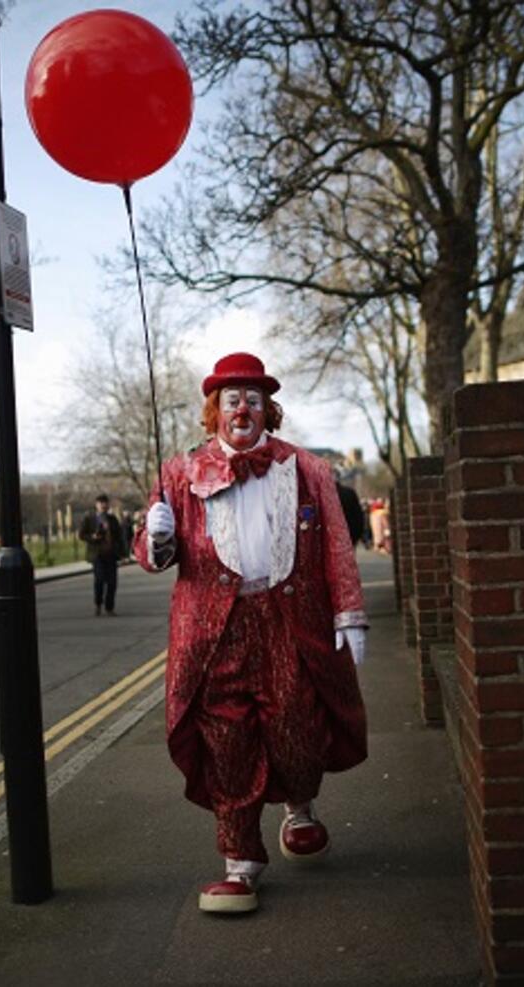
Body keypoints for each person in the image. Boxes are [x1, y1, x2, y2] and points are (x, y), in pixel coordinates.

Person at [135, 351, 367, 916]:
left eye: (254, 400)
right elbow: (153, 558)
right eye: (232, 400)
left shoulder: (307, 468)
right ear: (214, 411)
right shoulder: (178, 473)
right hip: (215, 630)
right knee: (227, 741)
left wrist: (350, 615)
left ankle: (300, 806)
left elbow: (337, 544)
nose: (243, 409)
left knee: (297, 726)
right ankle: (240, 863)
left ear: (269, 410)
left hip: (289, 620)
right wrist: (156, 534)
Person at [78, 493, 124, 615]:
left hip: (111, 554)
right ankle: (98, 604)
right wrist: (92, 537)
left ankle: (109, 607)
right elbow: (82, 535)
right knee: (99, 580)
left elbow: (119, 537)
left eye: (105, 503)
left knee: (112, 582)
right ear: (96, 505)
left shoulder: (112, 519)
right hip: (97, 554)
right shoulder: (90, 518)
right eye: (100, 503)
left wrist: (123, 554)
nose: (103, 506)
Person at [336, 476, 365, 548]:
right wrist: (356, 537)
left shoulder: (322, 494)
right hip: (349, 535)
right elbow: (359, 517)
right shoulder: (349, 493)